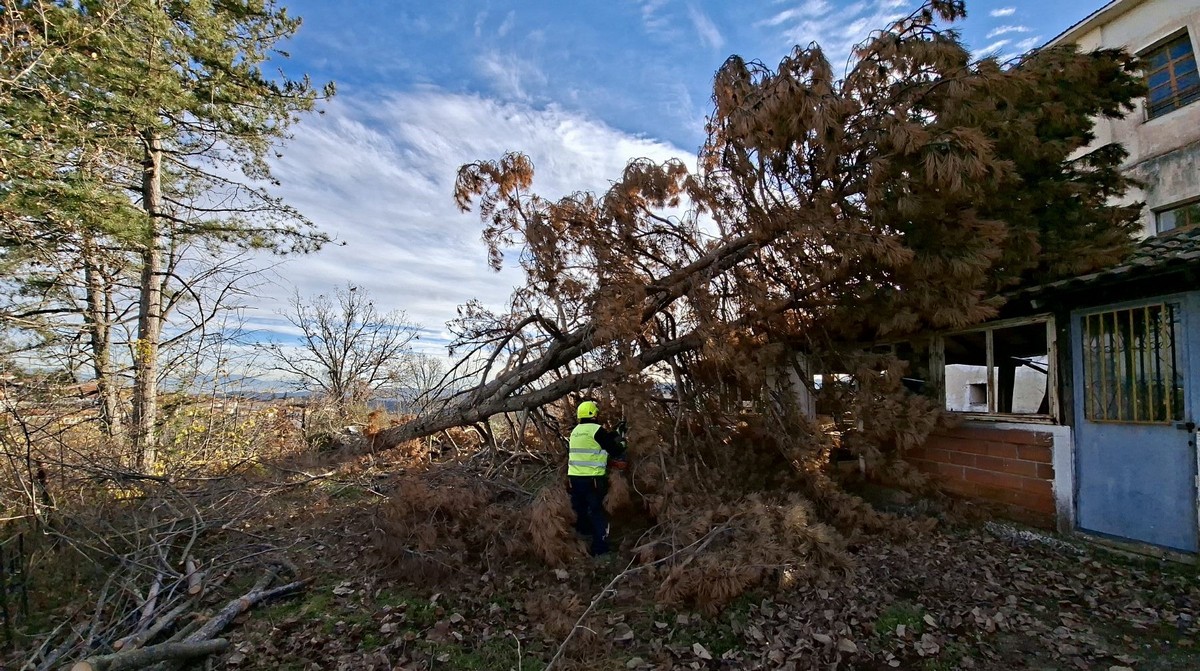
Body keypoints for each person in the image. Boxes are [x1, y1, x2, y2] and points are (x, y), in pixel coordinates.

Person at [567, 400, 627, 556]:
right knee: (597, 512)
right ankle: (600, 549)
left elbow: (597, 442)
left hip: (574, 479)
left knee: (580, 511)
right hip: (592, 480)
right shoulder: (596, 430)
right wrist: (623, 442)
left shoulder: (575, 431)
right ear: (594, 414)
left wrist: (613, 432)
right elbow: (613, 449)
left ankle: (582, 544)